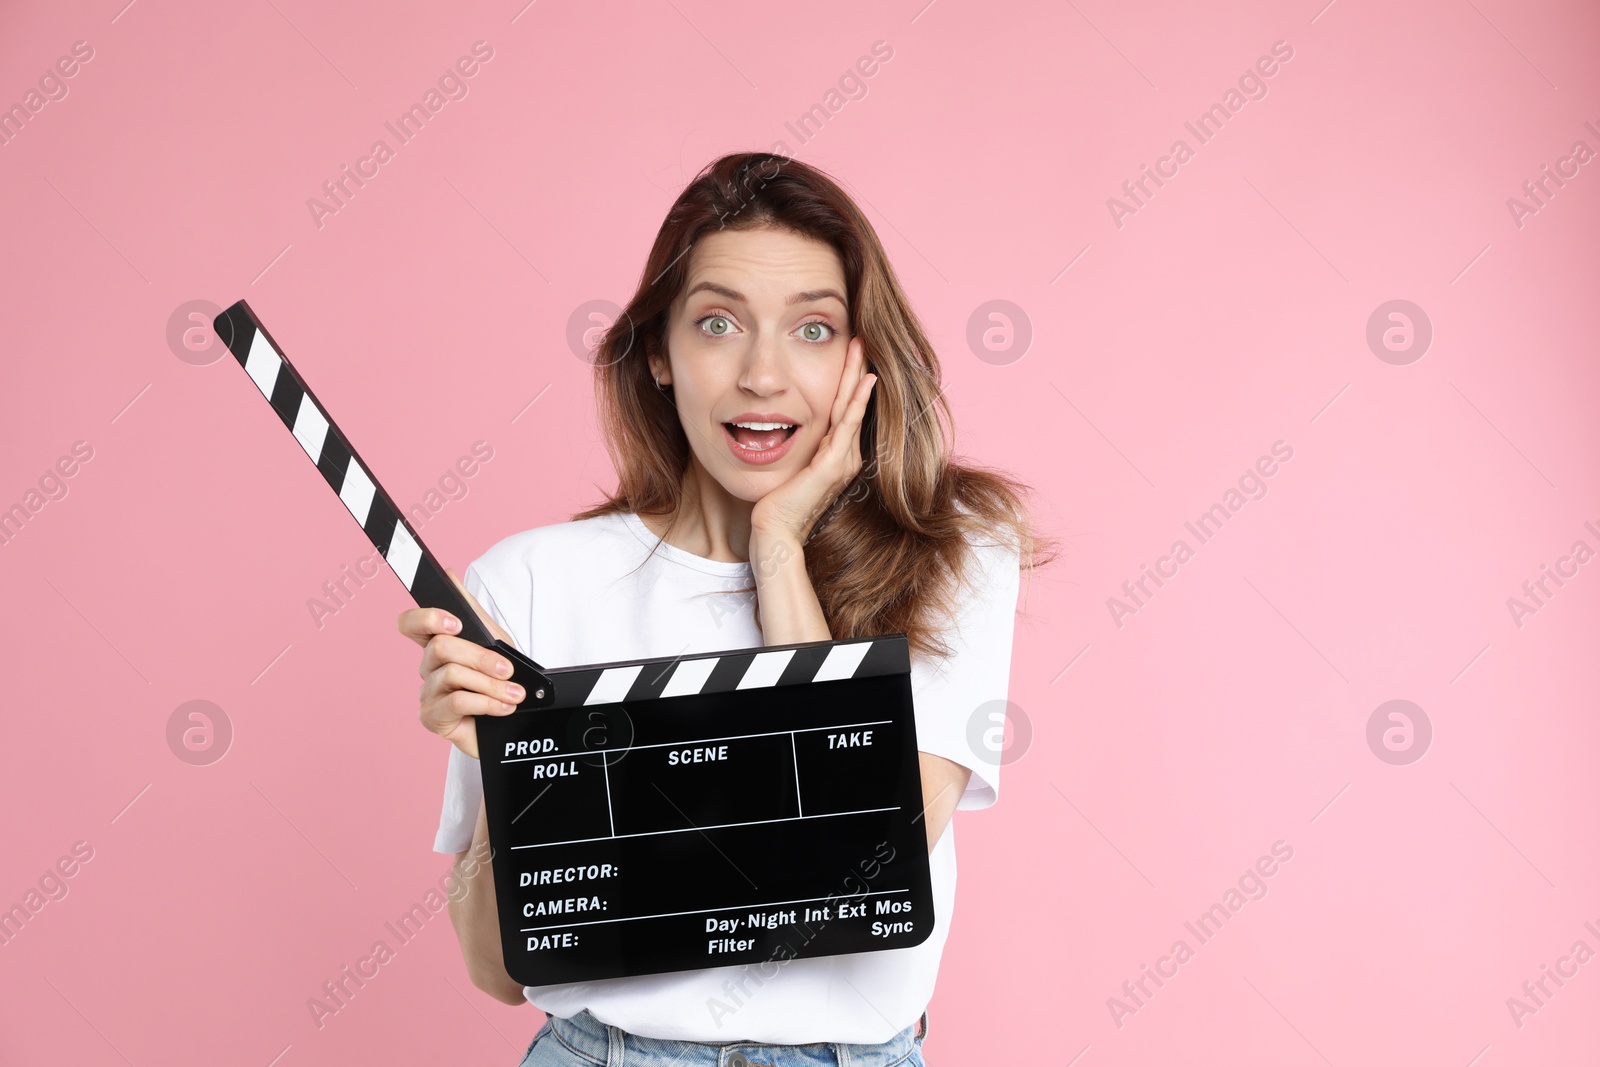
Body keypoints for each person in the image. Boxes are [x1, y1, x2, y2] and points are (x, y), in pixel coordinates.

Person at [398, 152, 1054, 1066]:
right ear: (660, 354)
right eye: (717, 323)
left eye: (814, 330)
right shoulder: (530, 581)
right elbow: (495, 969)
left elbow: (857, 858)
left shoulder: (954, 547)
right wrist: (508, 771)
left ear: (866, 357)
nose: (762, 374)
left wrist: (778, 547)